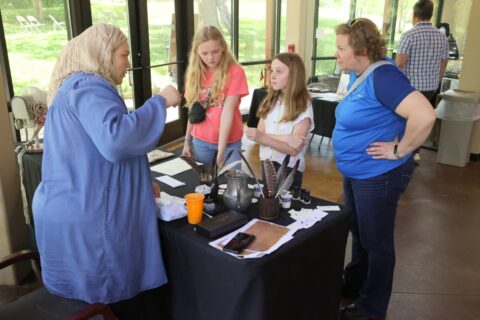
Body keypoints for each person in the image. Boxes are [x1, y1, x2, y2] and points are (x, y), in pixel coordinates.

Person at [32, 23, 181, 318]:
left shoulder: (69, 88)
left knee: (84, 303)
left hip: (64, 206)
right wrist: (161, 102)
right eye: (124, 55)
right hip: (88, 215)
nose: (129, 64)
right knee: (109, 298)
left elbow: (90, 152)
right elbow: (116, 138)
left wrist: (139, 180)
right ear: (103, 54)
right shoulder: (89, 85)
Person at [333, 18, 436, 320]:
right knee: (360, 232)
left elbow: (425, 115)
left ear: (361, 49)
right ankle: (355, 283)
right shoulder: (360, 72)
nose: (336, 53)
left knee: (377, 243)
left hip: (377, 177)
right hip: (358, 173)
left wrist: (400, 149)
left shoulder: (383, 77)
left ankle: (371, 309)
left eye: (341, 48)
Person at [182, 25, 249, 167]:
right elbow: (193, 111)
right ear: (197, 52)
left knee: (232, 185)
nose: (210, 58)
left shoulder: (235, 72)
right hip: (201, 140)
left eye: (215, 52)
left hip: (230, 142)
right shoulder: (195, 72)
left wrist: (221, 150)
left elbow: (227, 112)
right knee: (205, 185)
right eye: (204, 53)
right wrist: (187, 141)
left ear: (223, 47)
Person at [244, 52, 313, 189]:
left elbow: (293, 150)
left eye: (279, 71)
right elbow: (259, 134)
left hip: (289, 167)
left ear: (294, 75)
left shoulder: (303, 105)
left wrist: (262, 137)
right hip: (267, 163)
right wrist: (287, 138)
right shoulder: (269, 100)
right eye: (272, 71)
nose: (272, 76)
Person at [395, 0, 449, 160]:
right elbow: (444, 62)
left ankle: (400, 152)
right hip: (430, 87)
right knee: (420, 119)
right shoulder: (441, 36)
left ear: (414, 15)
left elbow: (400, 62)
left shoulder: (409, 35)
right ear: (430, 14)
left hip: (410, 88)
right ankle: (415, 152)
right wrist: (437, 81)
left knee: (402, 120)